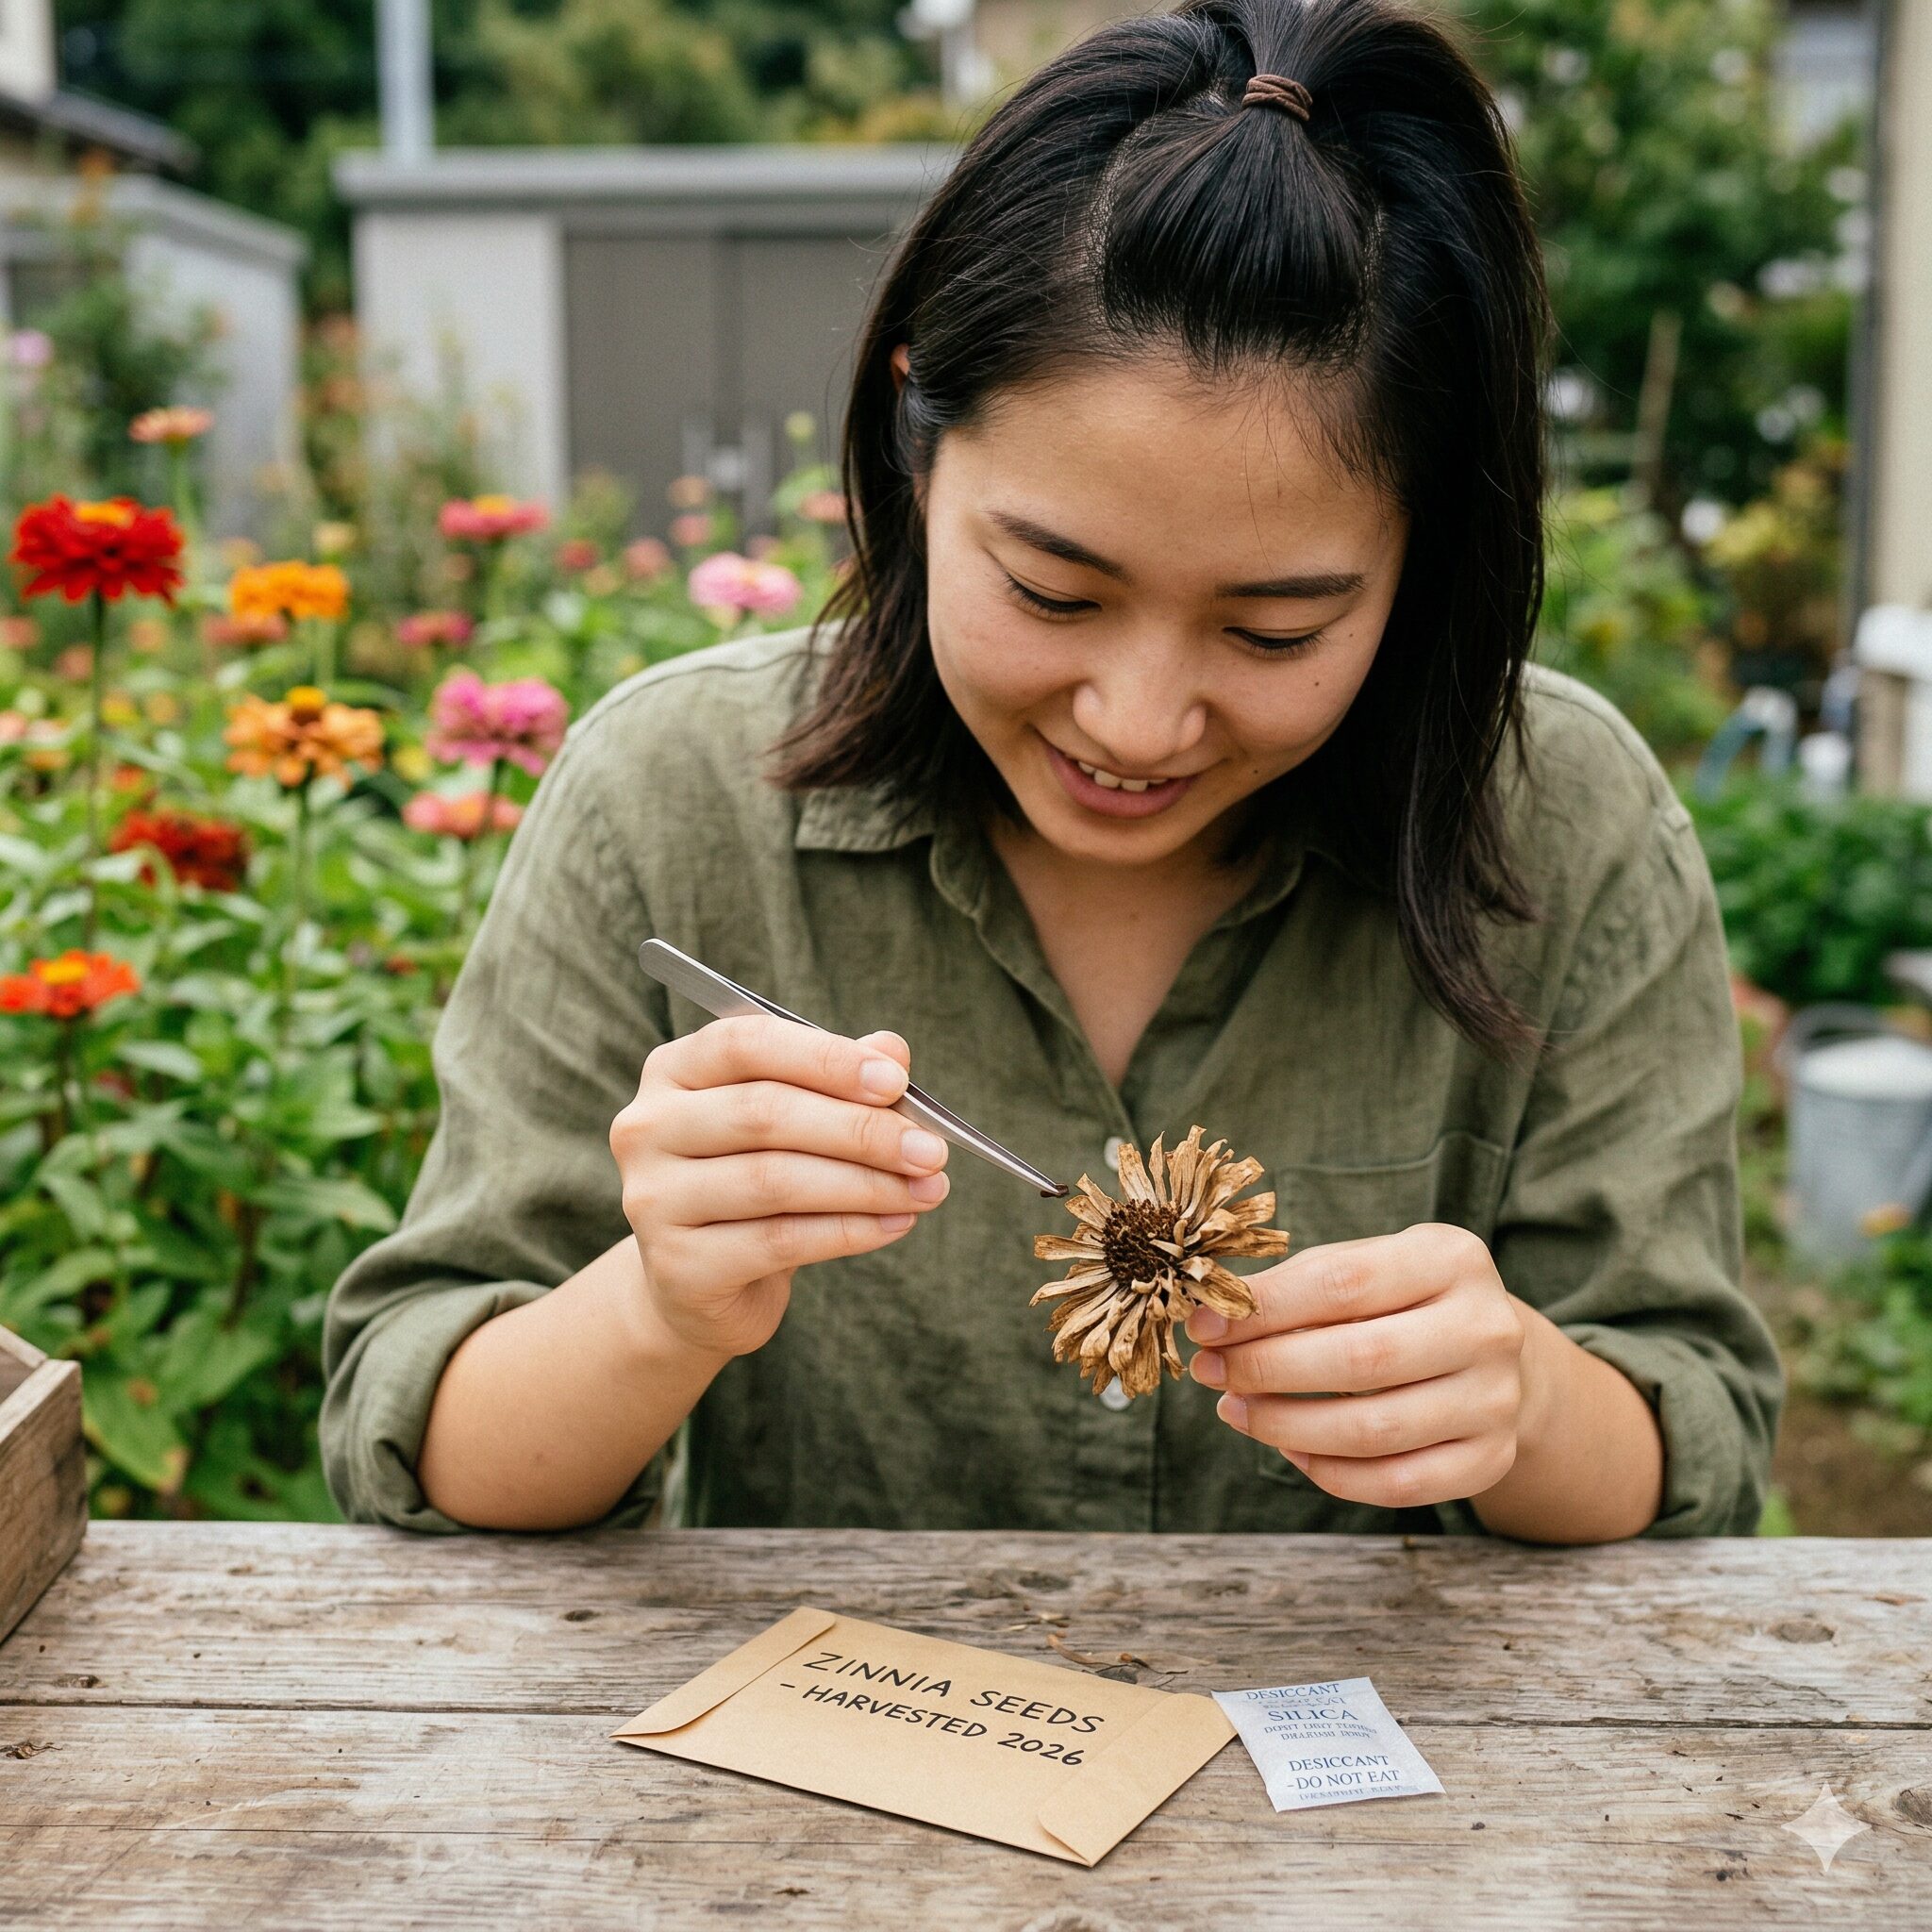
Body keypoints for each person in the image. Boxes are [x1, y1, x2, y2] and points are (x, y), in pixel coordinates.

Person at [323, 0, 1780, 1543]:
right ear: (915, 438)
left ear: (1423, 560)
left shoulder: (1573, 831)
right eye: (1053, 593)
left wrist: (1525, 1405)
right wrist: (660, 1305)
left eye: (1275, 628)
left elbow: (1693, 1442)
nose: (1140, 723)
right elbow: (421, 1437)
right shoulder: (671, 800)